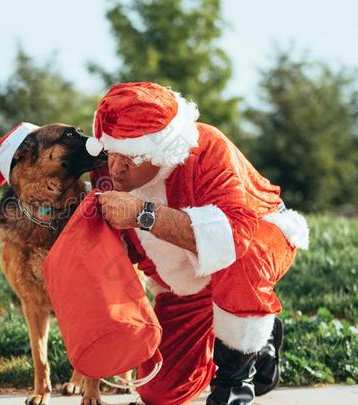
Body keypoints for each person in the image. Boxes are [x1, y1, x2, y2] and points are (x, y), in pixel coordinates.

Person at [85, 82, 309, 405]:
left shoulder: (208, 148)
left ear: (160, 148)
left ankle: (235, 383)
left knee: (248, 258)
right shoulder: (108, 171)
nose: (116, 168)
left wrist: (143, 214)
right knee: (158, 391)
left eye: (130, 157)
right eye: (111, 153)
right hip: (183, 278)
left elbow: (236, 234)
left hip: (255, 240)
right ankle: (256, 341)